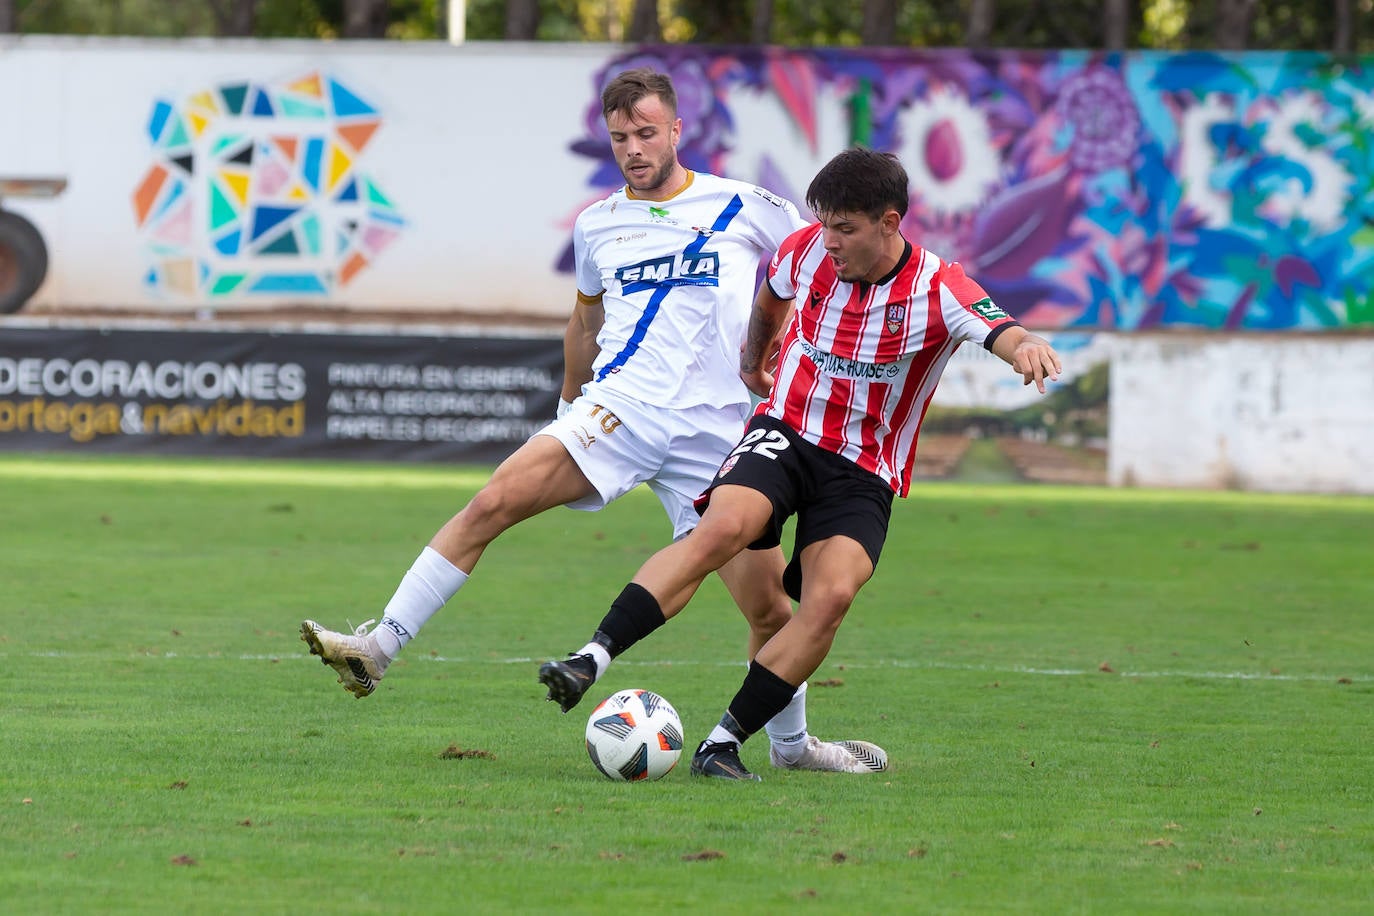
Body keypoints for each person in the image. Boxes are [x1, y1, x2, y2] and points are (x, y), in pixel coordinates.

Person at [301, 67, 887, 775]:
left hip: (723, 434)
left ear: (676, 128)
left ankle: (793, 749)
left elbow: (817, 272)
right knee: (493, 500)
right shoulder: (598, 223)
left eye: (645, 133)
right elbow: (585, 318)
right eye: (619, 138)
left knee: (768, 610)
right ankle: (377, 649)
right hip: (621, 408)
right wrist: (567, 407)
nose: (633, 148)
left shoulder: (751, 207)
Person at [539, 146, 1063, 780]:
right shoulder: (805, 250)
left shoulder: (938, 286)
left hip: (863, 470)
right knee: (722, 530)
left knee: (831, 596)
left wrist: (1027, 346)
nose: (830, 241)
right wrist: (753, 360)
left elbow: (1001, 328)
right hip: (786, 432)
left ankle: (722, 743)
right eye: (825, 225)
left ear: (889, 223)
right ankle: (590, 658)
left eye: (846, 228)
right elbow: (770, 296)